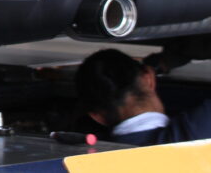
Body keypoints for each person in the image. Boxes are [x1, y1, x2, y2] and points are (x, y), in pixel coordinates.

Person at [75, 48, 211, 145]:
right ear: (149, 79)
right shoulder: (200, 129)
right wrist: (170, 58)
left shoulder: (91, 161)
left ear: (97, 116)